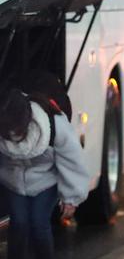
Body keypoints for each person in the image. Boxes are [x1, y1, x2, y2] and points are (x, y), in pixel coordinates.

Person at [0, 89, 89, 259]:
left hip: (45, 181)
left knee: (39, 222)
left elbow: (73, 160)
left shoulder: (53, 124)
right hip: (13, 181)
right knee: (19, 222)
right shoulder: (4, 125)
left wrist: (72, 197)